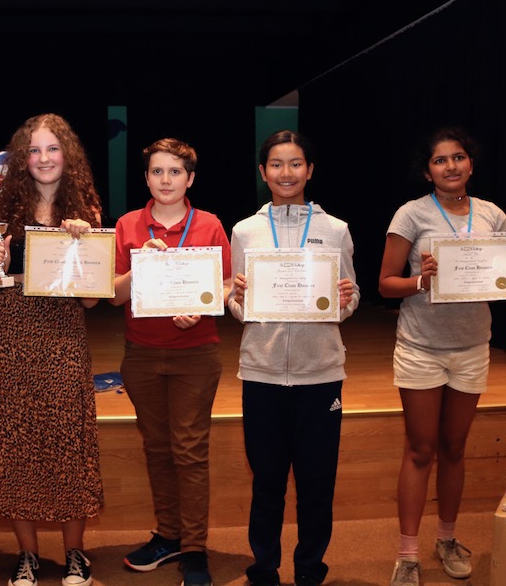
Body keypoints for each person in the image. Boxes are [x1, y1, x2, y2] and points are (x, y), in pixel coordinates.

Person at [228, 130, 359, 586]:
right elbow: (237, 304)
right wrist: (238, 298)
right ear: (263, 172)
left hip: (320, 375)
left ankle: (309, 571)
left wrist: (346, 298)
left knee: (316, 485)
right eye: (277, 164)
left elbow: (349, 298)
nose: (287, 173)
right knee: (266, 483)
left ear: (310, 169)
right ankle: (264, 569)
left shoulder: (335, 229)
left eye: (296, 163)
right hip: (261, 373)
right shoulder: (244, 230)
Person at [379, 126, 506, 586]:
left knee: (454, 448)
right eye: (440, 160)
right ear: (427, 171)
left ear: (471, 163)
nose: (450, 166)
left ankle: (447, 540)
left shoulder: (493, 215)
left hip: (472, 347)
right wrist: (422, 280)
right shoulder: (411, 214)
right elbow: (385, 284)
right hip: (421, 348)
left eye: (458, 157)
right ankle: (407, 555)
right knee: (420, 450)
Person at [0, 113, 104, 586]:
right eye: (34, 150)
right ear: (22, 158)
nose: (43, 158)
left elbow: (91, 300)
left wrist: (84, 244)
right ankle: (27, 555)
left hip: (63, 338)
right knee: (14, 445)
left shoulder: (86, 212)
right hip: (10, 336)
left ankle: (75, 554)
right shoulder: (1, 212)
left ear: (67, 155)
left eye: (52, 148)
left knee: (70, 443)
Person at [111, 137, 232, 586]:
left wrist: (203, 306)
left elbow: (227, 285)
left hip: (196, 355)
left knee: (189, 451)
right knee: (156, 449)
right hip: (141, 354)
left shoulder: (210, 224)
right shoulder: (127, 225)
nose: (166, 180)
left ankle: (195, 549)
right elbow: (113, 295)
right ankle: (168, 535)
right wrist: (139, 266)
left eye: (175, 172)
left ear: (190, 179)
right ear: (146, 178)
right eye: (157, 171)